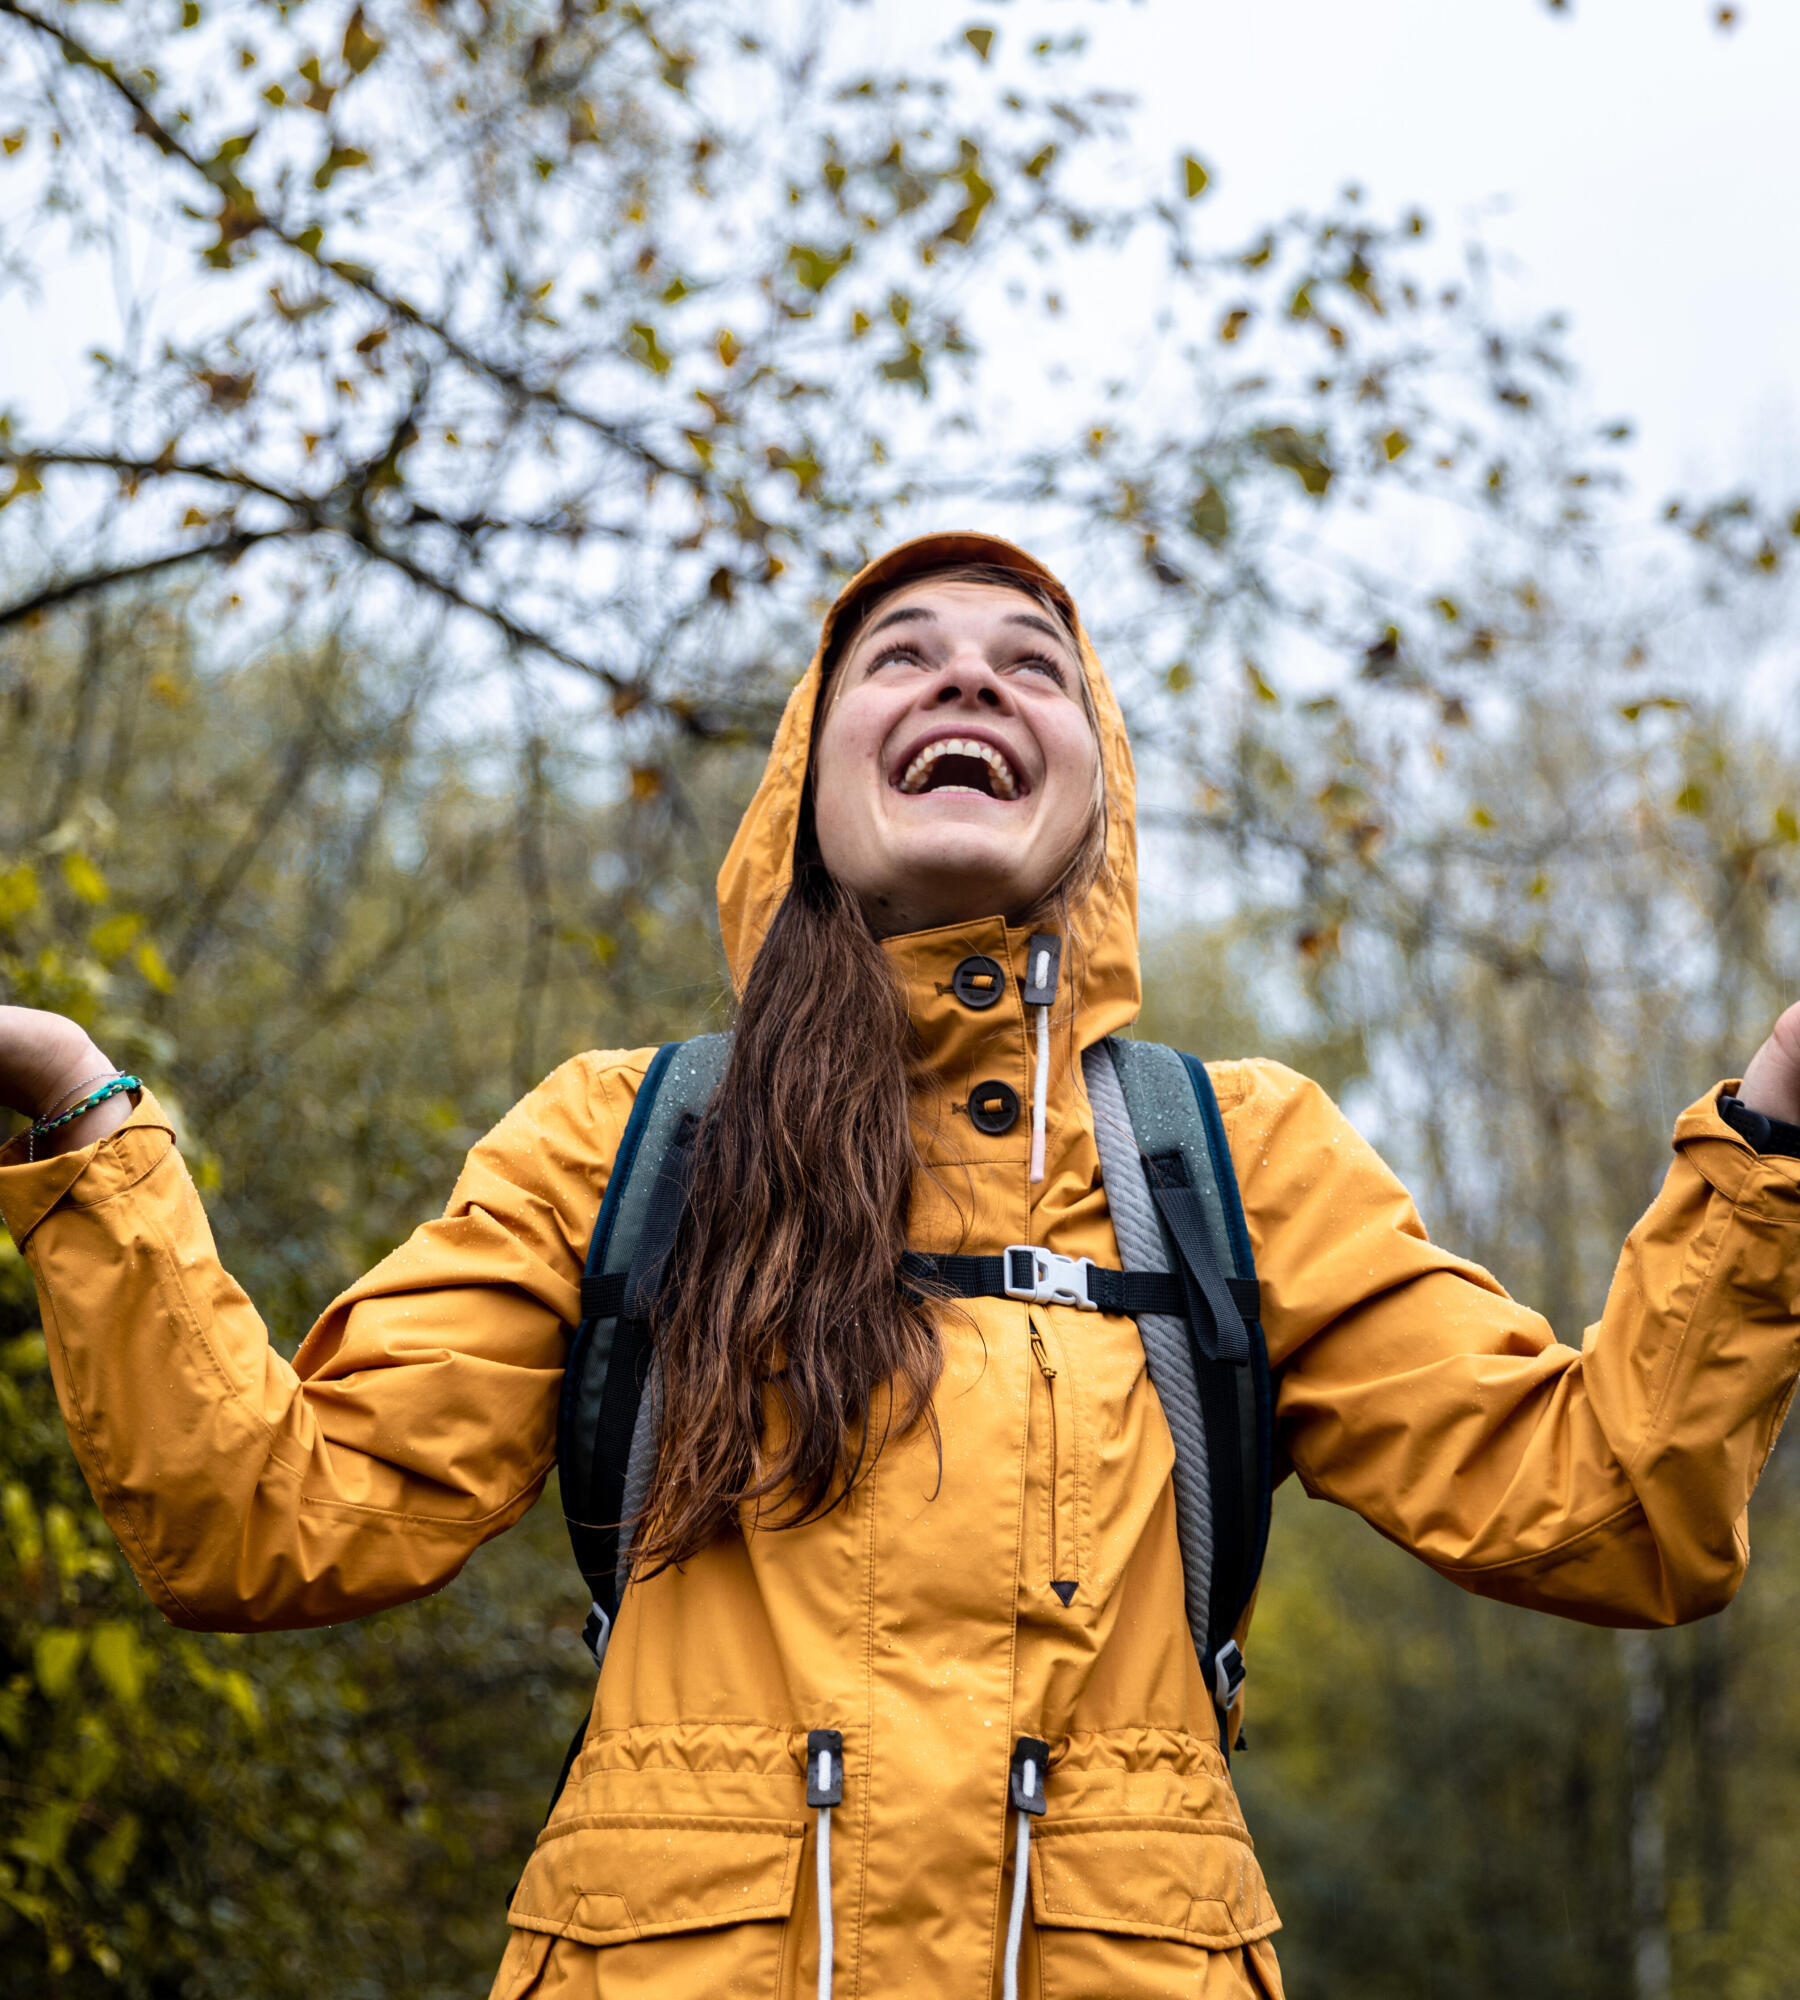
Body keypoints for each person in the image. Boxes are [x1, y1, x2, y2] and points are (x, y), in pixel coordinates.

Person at [3, 531, 1799, 2000]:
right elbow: (265, 1520)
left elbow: (1610, 1509)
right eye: (906, 657)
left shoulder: (1232, 1157)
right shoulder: (620, 1143)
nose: (969, 680)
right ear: (806, 786)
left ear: (1097, 812)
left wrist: (1776, 1144)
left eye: (1032, 664)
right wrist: (78, 1119)